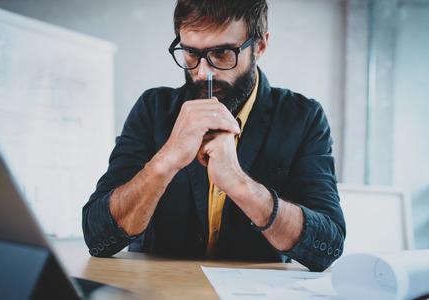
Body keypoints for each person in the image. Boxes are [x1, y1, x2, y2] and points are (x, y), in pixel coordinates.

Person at [82, 0, 345, 272]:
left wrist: (241, 185)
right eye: (191, 53)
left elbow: (328, 246)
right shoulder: (153, 109)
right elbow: (97, 237)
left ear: (260, 46)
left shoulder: (302, 118)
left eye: (222, 53)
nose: (203, 73)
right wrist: (166, 160)